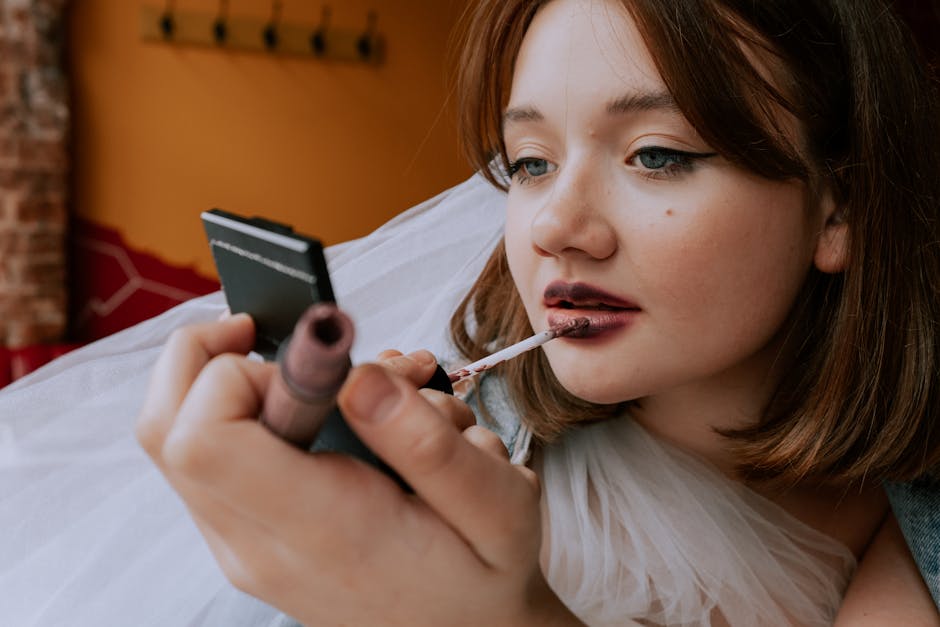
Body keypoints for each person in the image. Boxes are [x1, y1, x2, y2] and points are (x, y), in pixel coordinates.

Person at [1, 0, 939, 624]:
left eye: (656, 153)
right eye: (529, 162)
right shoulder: (463, 464)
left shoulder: (911, 525)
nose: (556, 228)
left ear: (839, 206)